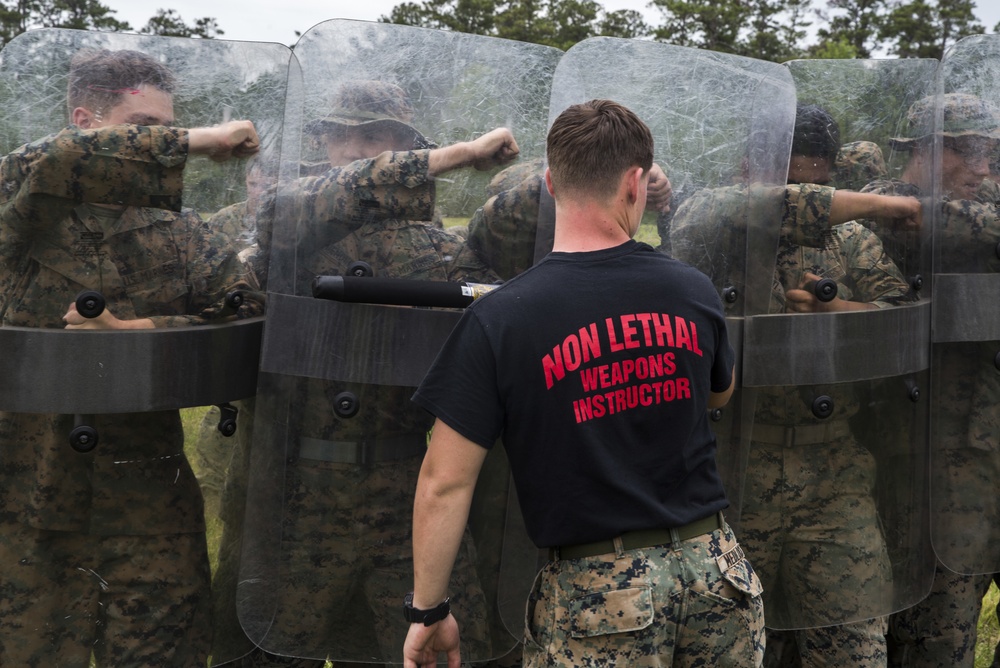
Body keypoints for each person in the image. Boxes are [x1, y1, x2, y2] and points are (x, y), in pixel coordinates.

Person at [404, 98, 764, 668]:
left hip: (602, 597)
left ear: (549, 183)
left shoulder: (502, 318)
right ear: (634, 183)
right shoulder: (692, 290)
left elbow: (444, 483)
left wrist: (428, 611)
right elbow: (719, 392)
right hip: (719, 578)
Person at [215, 80, 523, 667]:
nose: (357, 150)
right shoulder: (290, 235)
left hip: (406, 498)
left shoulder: (440, 254)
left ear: (404, 144)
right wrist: (454, 155)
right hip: (291, 500)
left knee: (445, 652)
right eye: (342, 135)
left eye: (375, 136)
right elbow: (282, 213)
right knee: (261, 650)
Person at [0, 48, 260, 667]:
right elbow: (52, 160)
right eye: (148, 132)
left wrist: (142, 330)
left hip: (148, 505)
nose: (166, 146)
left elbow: (247, 313)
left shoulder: (179, 231)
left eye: (171, 130)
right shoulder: (21, 204)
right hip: (25, 502)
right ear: (85, 121)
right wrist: (202, 139)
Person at [673, 104, 918, 668]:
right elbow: (727, 211)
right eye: (793, 183)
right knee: (734, 650)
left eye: (821, 184)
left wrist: (837, 309)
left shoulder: (849, 239)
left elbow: (900, 313)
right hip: (732, 473)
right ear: (747, 169)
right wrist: (884, 203)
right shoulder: (711, 221)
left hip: (834, 474)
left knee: (853, 647)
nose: (812, 201)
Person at [874, 93, 1000, 668]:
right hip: (935, 472)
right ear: (925, 149)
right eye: (971, 151)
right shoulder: (881, 209)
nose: (984, 167)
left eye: (990, 153)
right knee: (937, 641)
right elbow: (926, 219)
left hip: (987, 450)